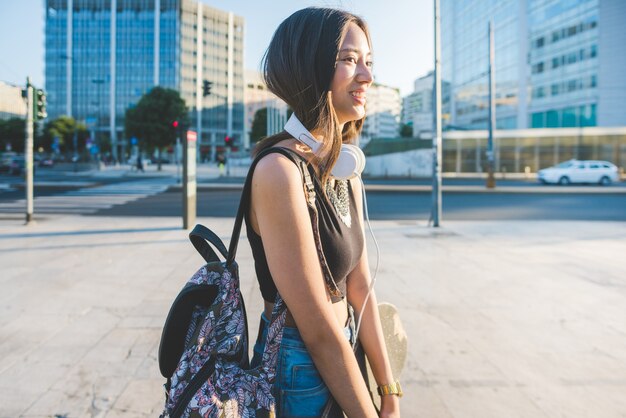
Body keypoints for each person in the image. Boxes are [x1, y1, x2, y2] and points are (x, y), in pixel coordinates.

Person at [246, 7, 401, 417]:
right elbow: (315, 327)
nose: (366, 76)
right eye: (349, 60)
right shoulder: (279, 171)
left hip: (344, 347)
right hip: (300, 365)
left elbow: (361, 288)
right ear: (310, 67)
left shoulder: (343, 165)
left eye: (368, 62)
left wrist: (389, 389)